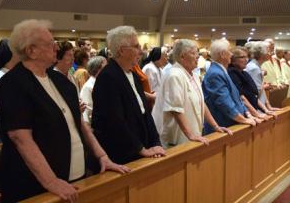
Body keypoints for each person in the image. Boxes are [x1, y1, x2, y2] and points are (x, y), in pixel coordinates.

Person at [0, 19, 129, 203]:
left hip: (75, 177)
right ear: (31, 50)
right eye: (50, 44)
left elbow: (79, 124)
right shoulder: (12, 84)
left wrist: (102, 156)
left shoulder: (61, 82)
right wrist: (51, 181)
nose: (56, 48)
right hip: (35, 185)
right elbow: (21, 138)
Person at [92, 26, 165, 164]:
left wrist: (155, 142)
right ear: (121, 51)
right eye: (136, 46)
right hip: (123, 153)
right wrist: (140, 149)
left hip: (140, 146)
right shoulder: (108, 77)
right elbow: (115, 120)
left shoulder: (132, 75)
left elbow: (145, 113)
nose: (141, 51)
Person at [155, 39, 232, 148]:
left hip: (192, 135)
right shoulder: (175, 75)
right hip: (177, 138)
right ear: (182, 56)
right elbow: (175, 109)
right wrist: (190, 135)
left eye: (197, 53)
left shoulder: (193, 75)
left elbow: (202, 103)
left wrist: (216, 126)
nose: (197, 56)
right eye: (193, 53)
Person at [202, 39, 256, 135]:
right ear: (223, 54)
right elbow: (224, 102)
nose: (231, 55)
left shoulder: (221, 70)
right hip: (223, 127)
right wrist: (243, 119)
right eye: (229, 51)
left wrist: (247, 114)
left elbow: (237, 97)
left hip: (231, 124)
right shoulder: (215, 73)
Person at [228, 47, 270, 122]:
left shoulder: (244, 73)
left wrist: (266, 110)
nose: (246, 60)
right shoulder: (232, 73)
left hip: (252, 112)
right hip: (243, 114)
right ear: (233, 60)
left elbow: (253, 96)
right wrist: (256, 114)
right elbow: (242, 97)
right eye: (242, 57)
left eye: (247, 57)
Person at [245, 41, 279, 112]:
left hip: (259, 106)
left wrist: (268, 106)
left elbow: (260, 89)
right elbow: (256, 94)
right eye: (268, 51)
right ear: (261, 54)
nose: (270, 54)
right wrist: (265, 109)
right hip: (256, 109)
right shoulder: (254, 68)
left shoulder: (256, 66)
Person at [80, 56, 107, 124]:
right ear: (97, 69)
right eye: (105, 67)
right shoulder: (88, 87)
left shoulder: (103, 82)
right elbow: (87, 112)